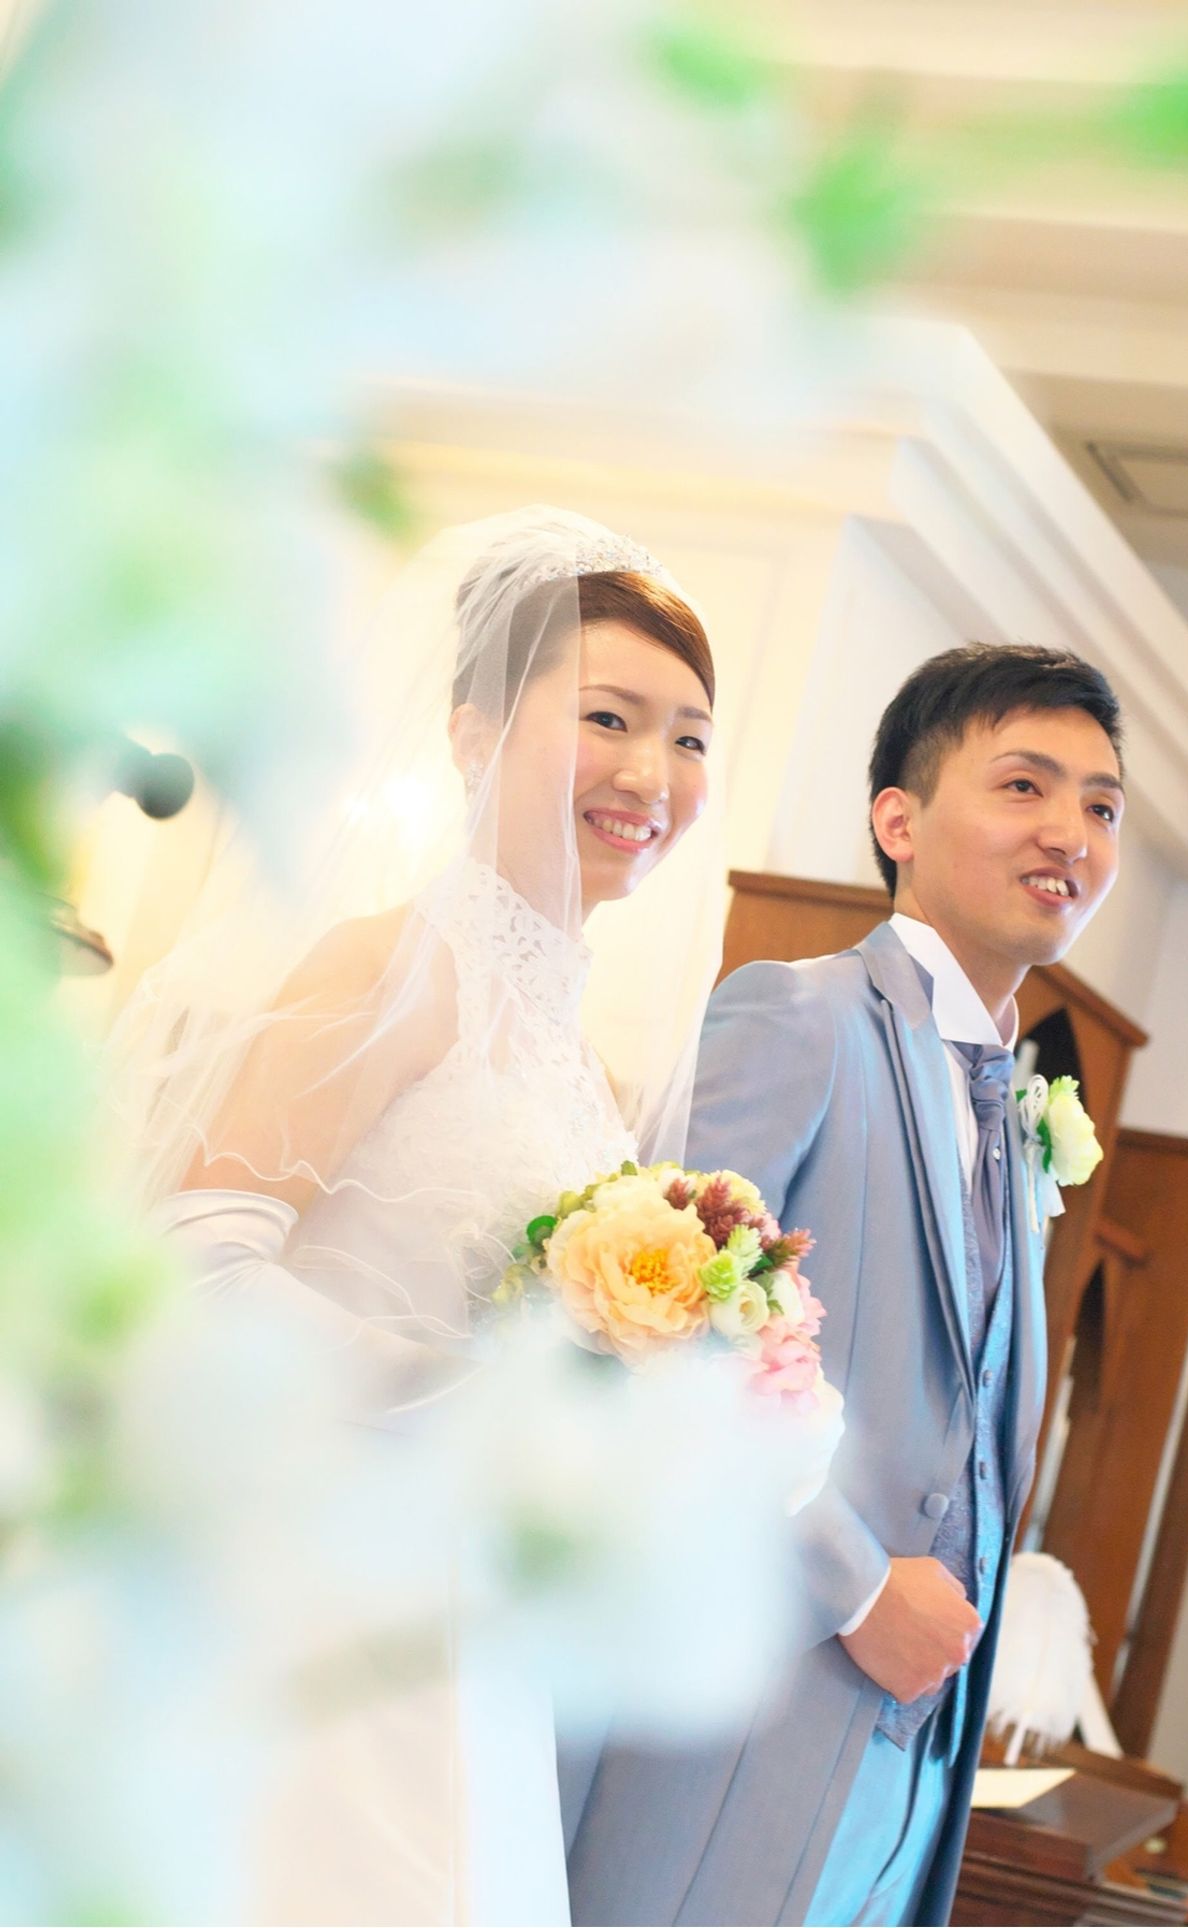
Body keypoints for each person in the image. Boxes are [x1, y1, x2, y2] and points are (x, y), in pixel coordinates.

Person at [110, 506, 723, 1925]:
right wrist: (481, 1402)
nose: (652, 773)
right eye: (609, 717)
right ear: (470, 734)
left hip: (467, 1637)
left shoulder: (590, 1069)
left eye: (689, 738)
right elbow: (195, 1264)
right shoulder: (393, 970)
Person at [563, 642, 1126, 1927]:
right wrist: (858, 1583)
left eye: (1099, 805)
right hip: (732, 1738)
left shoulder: (1018, 1116)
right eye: (1023, 785)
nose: (1069, 832)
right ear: (897, 821)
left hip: (906, 1784)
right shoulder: (798, 1015)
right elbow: (631, 1340)